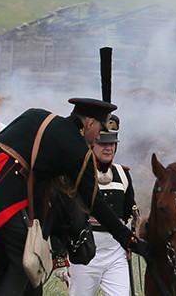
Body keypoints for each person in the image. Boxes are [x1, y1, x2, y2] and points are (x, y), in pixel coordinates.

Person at [0, 98, 151, 296]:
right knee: (25, 260)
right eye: (99, 130)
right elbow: (95, 204)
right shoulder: (77, 151)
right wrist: (131, 241)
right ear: (89, 123)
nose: (98, 137)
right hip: (0, 185)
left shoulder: (37, 115)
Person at [69, 114, 137, 296]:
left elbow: (129, 210)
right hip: (85, 250)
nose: (108, 148)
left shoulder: (123, 174)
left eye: (112, 143)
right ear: (92, 144)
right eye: (103, 143)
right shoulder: (77, 173)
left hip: (115, 251)